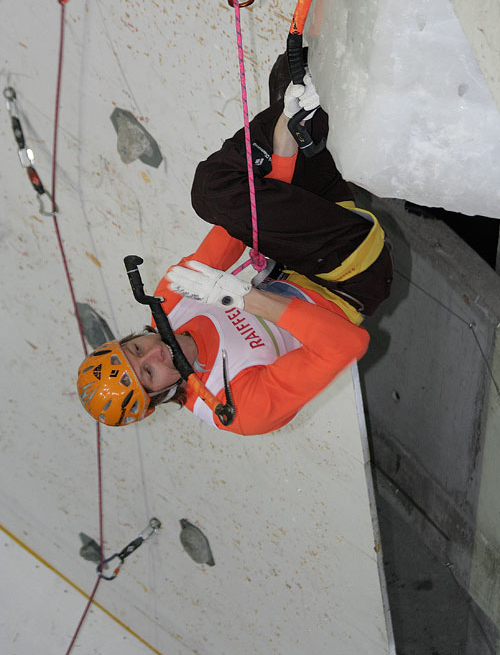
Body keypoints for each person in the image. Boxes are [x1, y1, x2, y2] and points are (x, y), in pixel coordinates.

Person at [77, 56, 392, 435]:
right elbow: (348, 345)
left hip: (311, 242)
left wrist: (281, 150)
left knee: (292, 80)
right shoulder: (236, 406)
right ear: (160, 396)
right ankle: (291, 125)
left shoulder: (170, 303)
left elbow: (238, 226)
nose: (156, 352)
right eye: (148, 371)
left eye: (137, 349)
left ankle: (291, 123)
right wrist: (244, 298)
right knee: (210, 193)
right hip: (351, 275)